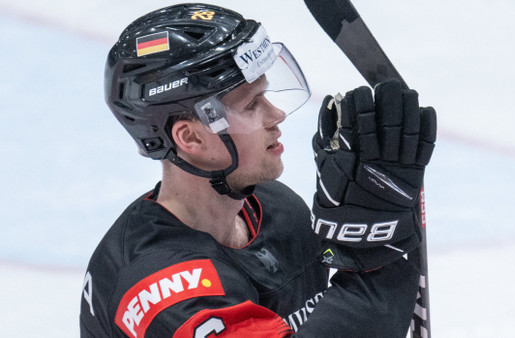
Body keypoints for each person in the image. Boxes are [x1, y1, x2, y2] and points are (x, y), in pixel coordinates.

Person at [79, 3, 436, 337]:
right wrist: (378, 250)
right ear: (190, 138)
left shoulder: (277, 209)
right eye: (251, 105)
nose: (276, 116)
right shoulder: (163, 287)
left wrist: (371, 237)